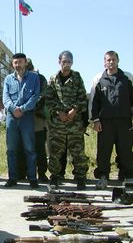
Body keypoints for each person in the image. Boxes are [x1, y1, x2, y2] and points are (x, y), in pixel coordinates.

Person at [45, 51, 89, 190]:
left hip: (74, 122)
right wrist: (59, 112)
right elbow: (49, 99)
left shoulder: (77, 77)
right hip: (58, 123)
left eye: (69, 61)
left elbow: (82, 97)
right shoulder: (53, 79)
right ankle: (55, 176)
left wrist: (74, 110)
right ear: (59, 62)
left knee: (78, 151)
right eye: (64, 61)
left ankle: (81, 177)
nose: (67, 64)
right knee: (55, 152)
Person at [91, 51, 133, 189]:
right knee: (103, 151)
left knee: (125, 151)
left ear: (118, 61)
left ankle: (127, 177)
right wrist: (95, 120)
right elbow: (94, 103)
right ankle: (103, 177)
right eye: (108, 60)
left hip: (124, 122)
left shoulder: (126, 78)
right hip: (105, 123)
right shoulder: (99, 79)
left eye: (113, 59)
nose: (111, 62)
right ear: (104, 62)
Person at [2, 53, 40, 188]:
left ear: (25, 63)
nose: (18, 65)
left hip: (27, 116)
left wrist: (22, 109)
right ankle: (12, 178)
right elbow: (5, 98)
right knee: (11, 149)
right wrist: (13, 109)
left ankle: (32, 178)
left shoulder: (34, 77)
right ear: (12, 64)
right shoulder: (8, 79)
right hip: (12, 117)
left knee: (29, 148)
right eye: (15, 62)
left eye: (20, 62)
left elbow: (35, 96)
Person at [17, 58, 49, 183]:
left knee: (39, 147)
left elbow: (42, 96)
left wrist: (27, 107)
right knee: (22, 148)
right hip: (21, 118)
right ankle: (22, 172)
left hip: (37, 118)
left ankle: (41, 173)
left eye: (28, 67)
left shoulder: (40, 79)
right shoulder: (16, 78)